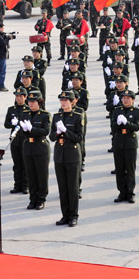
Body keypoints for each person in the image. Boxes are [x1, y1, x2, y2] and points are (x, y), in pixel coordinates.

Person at [50, 90, 84, 227]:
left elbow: (78, 137)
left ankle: (74, 215)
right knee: (62, 188)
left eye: (66, 101)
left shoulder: (77, 116)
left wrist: (66, 131)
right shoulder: (57, 116)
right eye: (62, 101)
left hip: (72, 155)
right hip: (60, 155)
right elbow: (51, 137)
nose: (63, 103)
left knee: (72, 187)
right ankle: (65, 215)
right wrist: (58, 133)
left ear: (72, 102)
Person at [21, 90, 51, 210]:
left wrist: (32, 129)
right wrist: (24, 130)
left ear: (39, 102)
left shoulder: (45, 115)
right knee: (31, 174)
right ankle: (32, 198)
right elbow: (23, 131)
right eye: (29, 101)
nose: (31, 104)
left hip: (40, 146)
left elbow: (46, 131)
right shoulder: (25, 113)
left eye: (33, 101)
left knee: (41, 174)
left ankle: (41, 199)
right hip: (28, 146)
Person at [111, 89, 139, 203]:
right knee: (119, 169)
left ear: (133, 100)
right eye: (124, 98)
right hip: (118, 142)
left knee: (130, 169)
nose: (126, 100)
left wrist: (126, 123)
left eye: (128, 98)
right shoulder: (117, 111)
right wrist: (117, 124)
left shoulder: (136, 111)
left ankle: (130, 192)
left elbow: (136, 127)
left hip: (130, 143)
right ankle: (122, 192)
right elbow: (112, 126)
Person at [3, 87, 30, 194]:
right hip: (14, 139)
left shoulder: (28, 110)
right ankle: (17, 185)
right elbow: (6, 124)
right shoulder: (11, 109)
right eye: (17, 96)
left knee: (25, 163)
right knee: (17, 163)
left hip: (24, 139)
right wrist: (12, 124)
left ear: (25, 97)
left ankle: (25, 185)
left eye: (21, 96)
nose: (18, 98)